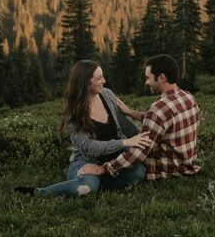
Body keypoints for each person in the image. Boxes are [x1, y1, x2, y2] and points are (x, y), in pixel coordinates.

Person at [16, 59, 151, 197]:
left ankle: (100, 181)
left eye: (102, 76)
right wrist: (124, 142)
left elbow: (126, 125)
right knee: (88, 187)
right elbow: (89, 146)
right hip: (86, 161)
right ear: (86, 83)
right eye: (99, 78)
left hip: (113, 160)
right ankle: (41, 192)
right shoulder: (73, 112)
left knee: (139, 172)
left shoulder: (107, 95)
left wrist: (142, 139)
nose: (104, 81)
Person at [76, 54, 201, 182]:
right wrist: (130, 112)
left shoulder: (158, 110)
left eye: (148, 78)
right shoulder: (188, 97)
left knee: (132, 161)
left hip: (166, 171)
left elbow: (138, 153)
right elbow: (162, 119)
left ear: (161, 78)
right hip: (186, 166)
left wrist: (103, 168)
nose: (146, 82)